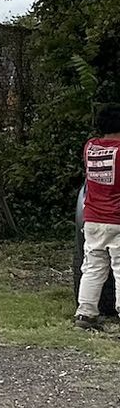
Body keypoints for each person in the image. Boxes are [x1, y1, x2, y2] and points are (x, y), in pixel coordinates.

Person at [77, 103, 120, 330]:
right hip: (117, 219)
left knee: (93, 266)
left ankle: (86, 314)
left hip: (93, 218)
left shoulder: (90, 147)